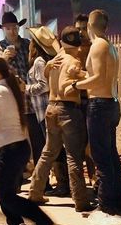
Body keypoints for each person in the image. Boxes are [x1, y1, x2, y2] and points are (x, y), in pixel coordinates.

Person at [0, 56, 52, 225]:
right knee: (7, 193)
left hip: (11, 149)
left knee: (5, 195)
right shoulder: (8, 88)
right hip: (17, 147)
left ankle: (41, 220)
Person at [28, 27, 92, 211]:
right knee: (73, 156)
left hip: (51, 108)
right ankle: (81, 201)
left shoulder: (54, 61)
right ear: (78, 46)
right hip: (68, 110)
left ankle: (35, 192)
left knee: (48, 152)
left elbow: (48, 77)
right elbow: (66, 88)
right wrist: (82, 80)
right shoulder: (74, 61)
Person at [72, 9, 121, 218]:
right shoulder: (109, 46)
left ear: (89, 27)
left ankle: (105, 206)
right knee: (111, 155)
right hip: (111, 104)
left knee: (101, 158)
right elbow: (100, 75)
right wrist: (80, 74)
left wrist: (76, 84)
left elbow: (97, 80)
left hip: (100, 106)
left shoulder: (97, 46)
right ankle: (120, 199)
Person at [0, 9, 41, 164]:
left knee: (38, 141)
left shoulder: (28, 45)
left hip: (31, 100)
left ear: (19, 27)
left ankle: (42, 182)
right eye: (8, 28)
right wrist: (3, 59)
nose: (12, 31)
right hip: (11, 102)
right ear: (3, 29)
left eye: (15, 27)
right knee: (15, 144)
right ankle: (16, 180)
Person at [24, 26, 68, 196]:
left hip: (44, 109)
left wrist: (25, 88)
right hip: (43, 109)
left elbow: (43, 86)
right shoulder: (46, 59)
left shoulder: (39, 62)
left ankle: (62, 185)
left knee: (53, 149)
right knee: (55, 148)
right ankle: (62, 184)